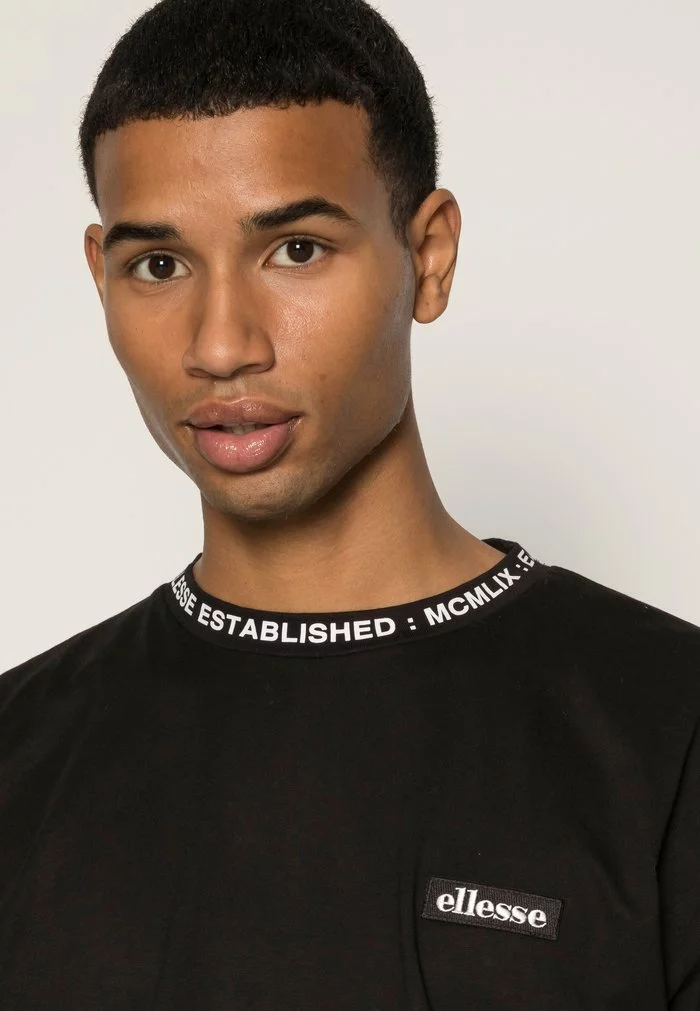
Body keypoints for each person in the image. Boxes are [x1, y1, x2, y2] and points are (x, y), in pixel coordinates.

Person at [1, 0, 698, 1006]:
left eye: (296, 249)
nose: (222, 344)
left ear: (429, 256)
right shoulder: (19, 758)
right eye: (159, 265)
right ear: (99, 277)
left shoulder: (670, 730)